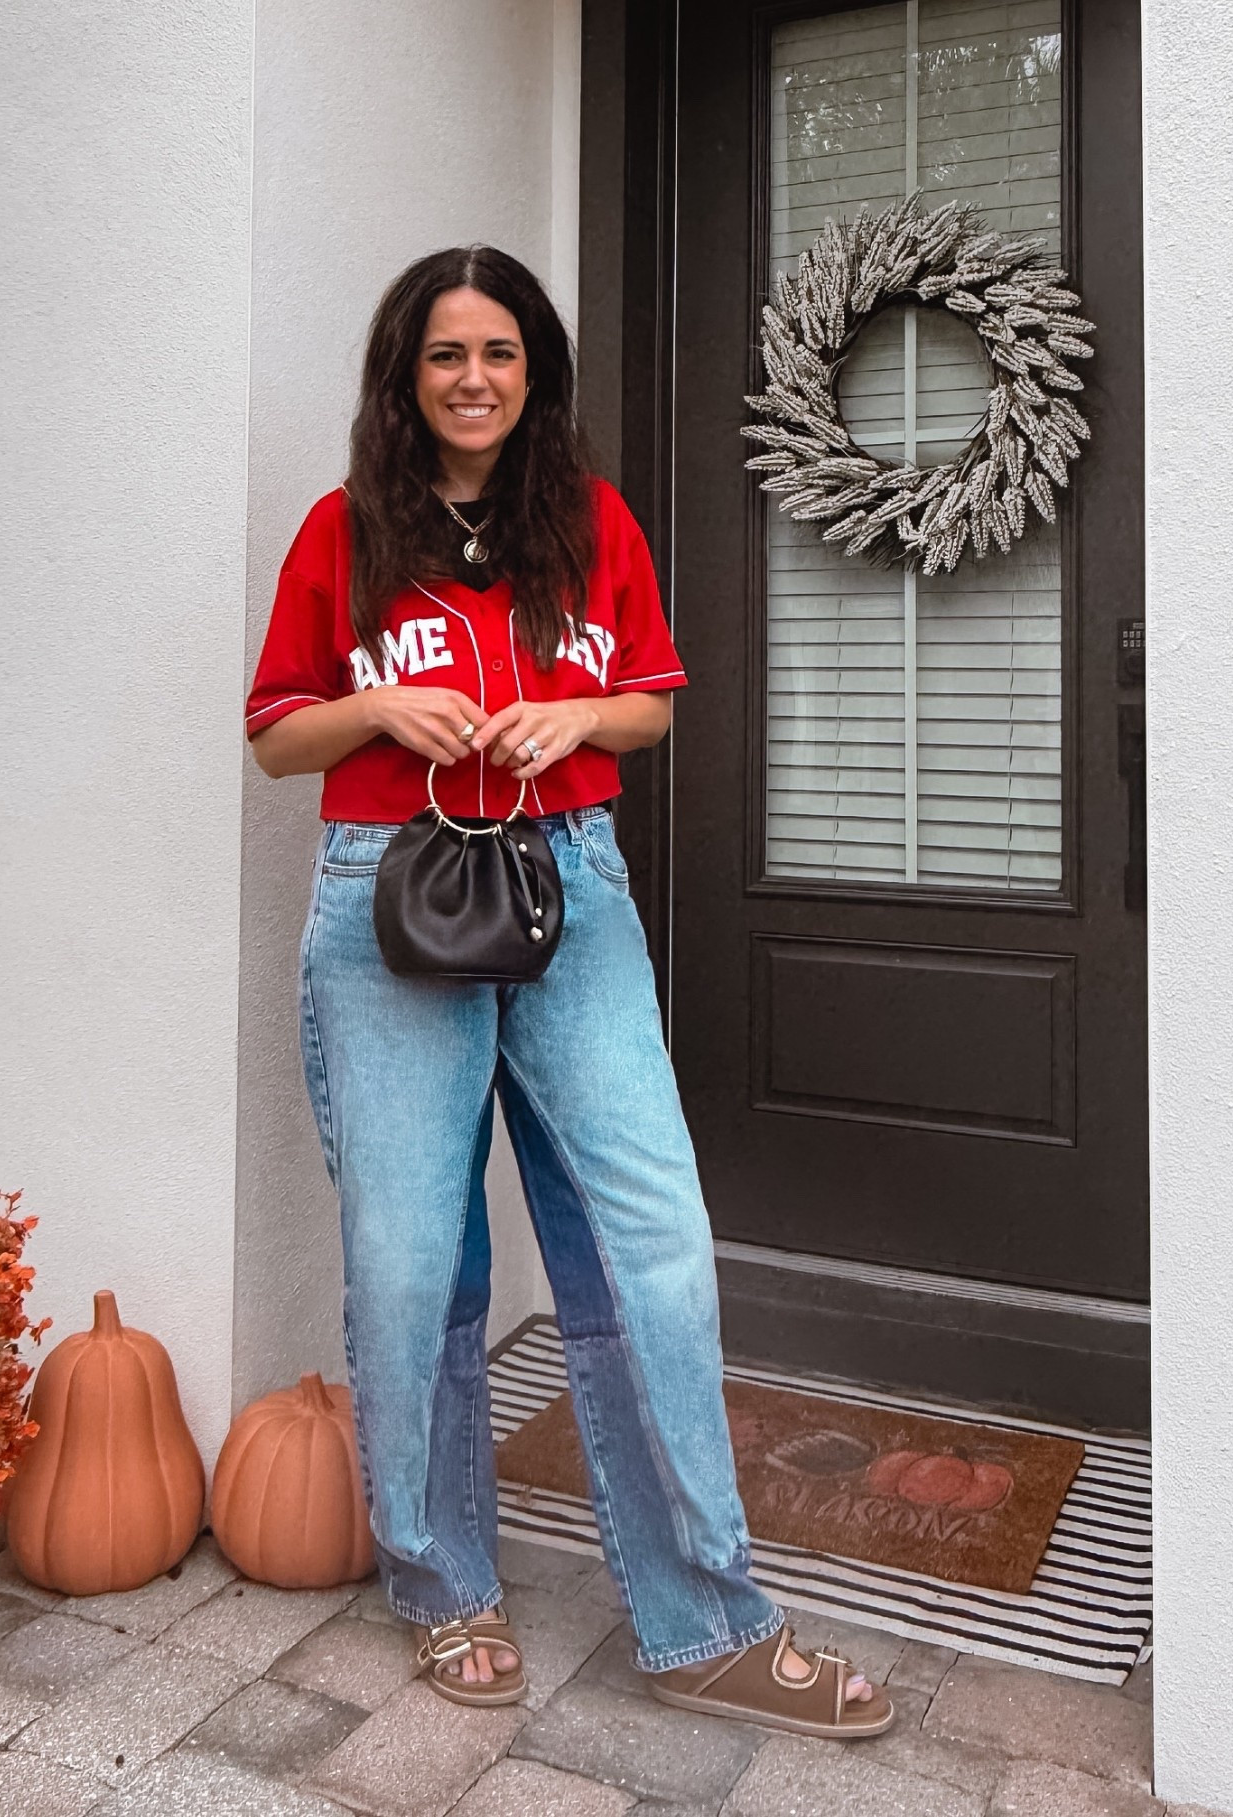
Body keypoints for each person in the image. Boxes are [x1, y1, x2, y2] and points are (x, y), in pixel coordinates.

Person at [245, 244, 891, 1739]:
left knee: (647, 1235)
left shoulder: (588, 522)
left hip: (567, 886)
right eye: (445, 355)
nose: (474, 378)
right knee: (413, 1257)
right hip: (387, 889)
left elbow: (652, 702)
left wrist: (568, 715)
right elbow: (278, 734)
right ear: (403, 379)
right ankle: (442, 1580)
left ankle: (705, 1613)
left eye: (501, 354)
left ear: (537, 375)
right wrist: (375, 705)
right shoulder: (342, 534)